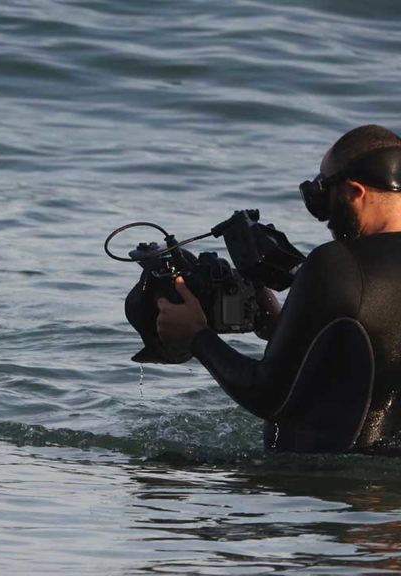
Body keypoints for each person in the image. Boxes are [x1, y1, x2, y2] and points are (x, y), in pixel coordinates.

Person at [156, 124, 401, 453]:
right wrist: (279, 327)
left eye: (323, 197)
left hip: (328, 487)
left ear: (355, 192)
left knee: (162, 468)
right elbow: (373, 358)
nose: (326, 220)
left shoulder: (339, 264)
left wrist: (197, 337)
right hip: (388, 497)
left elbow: (270, 396)